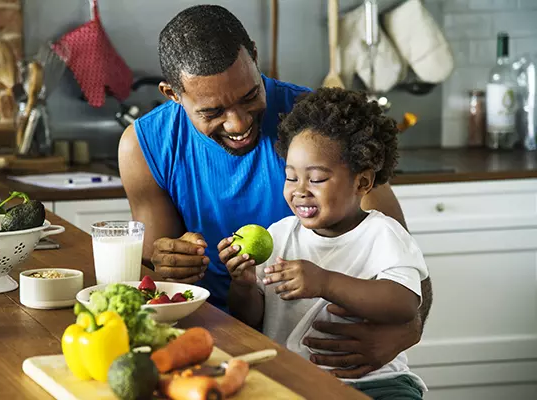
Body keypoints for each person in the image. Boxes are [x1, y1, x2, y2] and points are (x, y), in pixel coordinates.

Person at [118, 4, 433, 379]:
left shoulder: (316, 127)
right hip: (203, 342)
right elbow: (156, 280)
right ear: (173, 94)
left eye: (250, 95)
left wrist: (405, 332)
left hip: (326, 359)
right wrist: (166, 261)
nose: (238, 123)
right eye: (212, 111)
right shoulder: (144, 146)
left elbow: (406, 262)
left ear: (254, 54)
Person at [220, 88, 428, 399]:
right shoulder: (279, 235)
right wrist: (244, 285)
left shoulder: (383, 235)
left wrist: (325, 282)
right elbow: (251, 320)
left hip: (377, 384)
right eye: (291, 178)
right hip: (291, 381)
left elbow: (404, 304)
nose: (300, 191)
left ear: (362, 182)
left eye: (316, 179)